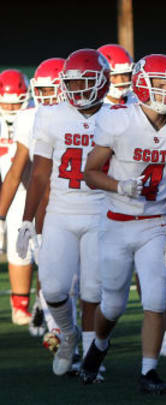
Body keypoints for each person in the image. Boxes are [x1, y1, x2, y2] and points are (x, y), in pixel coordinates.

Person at [80, 54, 166, 394]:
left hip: (154, 223)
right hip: (117, 222)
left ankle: (149, 371)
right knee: (112, 304)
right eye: (163, 84)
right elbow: (90, 172)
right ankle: (99, 343)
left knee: (156, 297)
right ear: (142, 83)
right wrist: (120, 185)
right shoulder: (118, 120)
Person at [17, 49, 110, 380]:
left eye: (84, 83)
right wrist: (27, 220)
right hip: (61, 211)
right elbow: (40, 173)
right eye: (71, 83)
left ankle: (89, 359)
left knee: (93, 291)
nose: (77, 90)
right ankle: (68, 335)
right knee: (54, 290)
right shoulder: (51, 115)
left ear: (102, 83)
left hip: (102, 211)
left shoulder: (118, 116)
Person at [0, 57, 64, 341]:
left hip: (72, 198)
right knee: (34, 250)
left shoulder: (97, 115)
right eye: (44, 90)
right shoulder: (32, 116)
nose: (47, 97)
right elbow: (18, 170)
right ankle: (45, 313)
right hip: (30, 193)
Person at [0, 68, 34, 325]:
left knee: (36, 247)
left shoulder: (35, 113)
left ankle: (43, 305)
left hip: (31, 188)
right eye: (6, 102)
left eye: (16, 101)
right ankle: (20, 305)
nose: (11, 107)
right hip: (5, 188)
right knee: (16, 249)